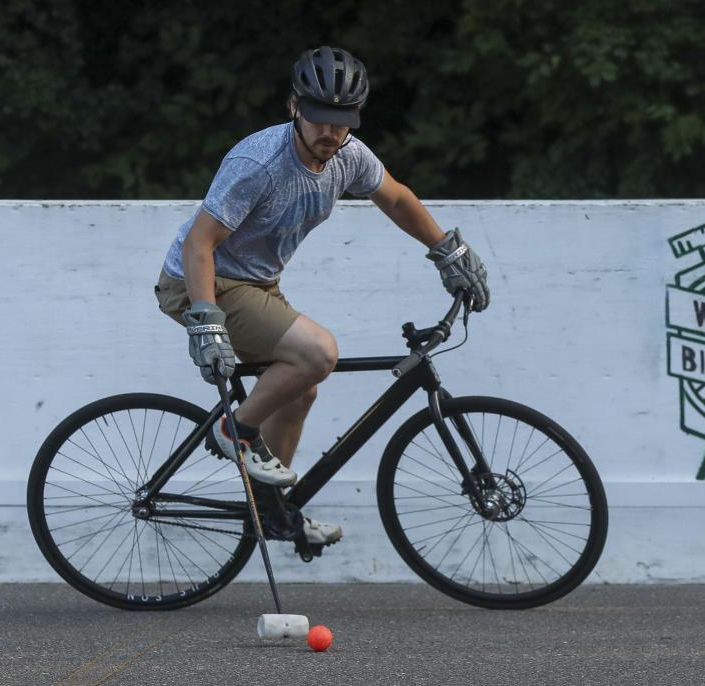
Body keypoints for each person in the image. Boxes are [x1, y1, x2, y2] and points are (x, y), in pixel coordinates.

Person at [154, 46, 489, 548]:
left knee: (300, 388)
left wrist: (447, 249)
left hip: (256, 283)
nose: (330, 132)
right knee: (318, 353)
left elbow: (395, 197)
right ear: (295, 107)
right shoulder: (259, 163)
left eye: (342, 120)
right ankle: (235, 431)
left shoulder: (348, 157)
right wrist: (207, 320)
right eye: (318, 118)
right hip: (202, 280)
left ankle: (271, 511)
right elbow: (200, 242)